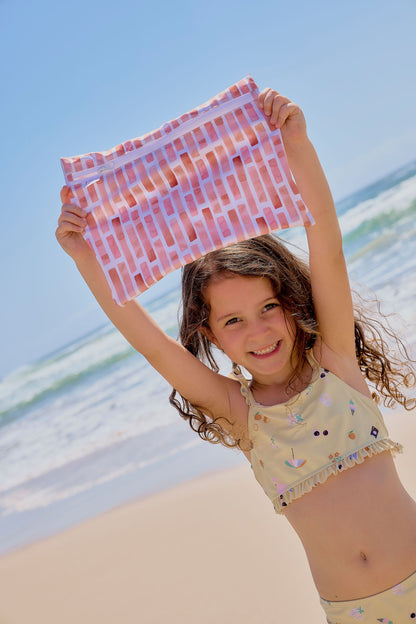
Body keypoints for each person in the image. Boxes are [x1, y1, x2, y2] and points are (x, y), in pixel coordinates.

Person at [56, 88, 416, 622]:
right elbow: (150, 343)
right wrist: (86, 257)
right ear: (211, 335)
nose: (259, 330)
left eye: (269, 306)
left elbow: (328, 249)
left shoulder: (336, 362)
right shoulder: (242, 414)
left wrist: (297, 143)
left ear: (293, 303)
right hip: (356, 614)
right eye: (233, 321)